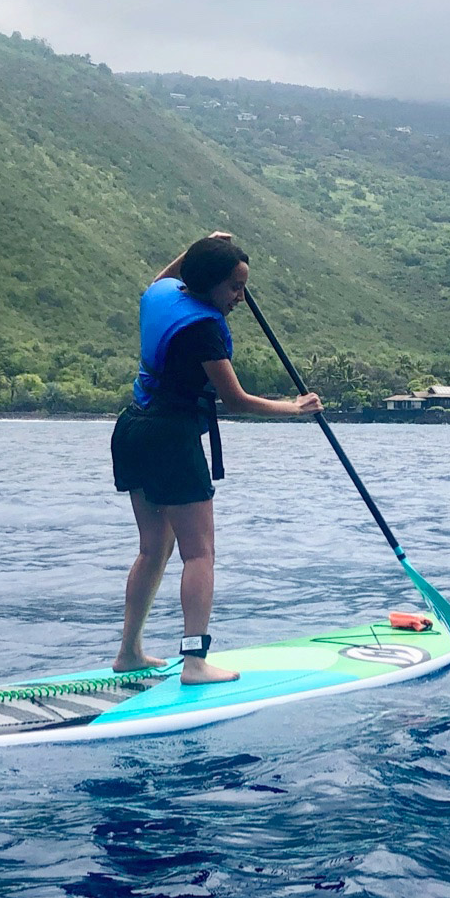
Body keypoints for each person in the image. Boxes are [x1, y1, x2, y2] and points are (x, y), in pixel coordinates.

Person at [110, 234, 321, 684]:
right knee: (199, 554)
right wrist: (294, 408)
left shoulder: (163, 293)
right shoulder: (203, 330)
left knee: (154, 548)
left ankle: (129, 652)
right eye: (234, 287)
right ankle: (194, 663)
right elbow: (235, 399)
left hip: (133, 428)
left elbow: (165, 277)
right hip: (170, 437)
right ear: (208, 284)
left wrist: (196, 246)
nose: (240, 298)